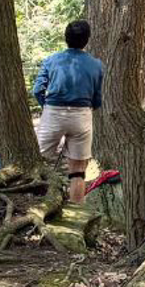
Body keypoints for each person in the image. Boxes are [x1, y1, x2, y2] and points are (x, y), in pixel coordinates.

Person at [31, 20, 104, 204]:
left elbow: (37, 90)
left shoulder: (51, 60)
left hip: (53, 112)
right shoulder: (96, 65)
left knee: (38, 161)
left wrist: (46, 106)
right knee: (78, 170)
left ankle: (38, 204)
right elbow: (97, 98)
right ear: (87, 39)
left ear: (66, 38)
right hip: (82, 116)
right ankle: (76, 212)